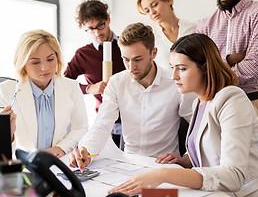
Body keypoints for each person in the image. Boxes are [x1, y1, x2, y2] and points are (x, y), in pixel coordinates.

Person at [109, 34, 258, 197]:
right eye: (173, 68)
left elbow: (234, 175)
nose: (173, 76)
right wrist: (186, 160)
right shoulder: (199, 102)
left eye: (182, 69)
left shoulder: (232, 99)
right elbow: (211, 149)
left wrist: (163, 174)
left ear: (205, 68)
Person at [68, 23, 195, 171]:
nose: (131, 67)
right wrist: (86, 150)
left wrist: (188, 157)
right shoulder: (117, 82)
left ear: (154, 53)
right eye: (126, 59)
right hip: (128, 165)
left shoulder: (175, 82)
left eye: (137, 59)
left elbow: (198, 124)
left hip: (166, 166)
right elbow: (102, 123)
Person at [196, 0, 258, 159]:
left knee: (253, 177)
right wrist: (231, 59)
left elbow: (255, 67)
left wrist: (217, 65)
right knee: (215, 169)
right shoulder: (205, 24)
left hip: (250, 104)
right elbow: (200, 70)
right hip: (214, 107)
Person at [0, 30, 88, 157]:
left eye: (50, 59)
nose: (45, 67)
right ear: (22, 63)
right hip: (23, 167)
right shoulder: (5, 91)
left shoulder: (72, 87)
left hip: (59, 163)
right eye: (35, 62)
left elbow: (81, 128)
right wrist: (7, 133)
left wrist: (62, 148)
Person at [64, 0, 125, 147]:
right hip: (106, 124)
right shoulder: (83, 55)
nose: (97, 32)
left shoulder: (126, 45)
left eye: (100, 25)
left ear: (108, 19)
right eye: (90, 29)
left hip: (134, 119)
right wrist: (89, 88)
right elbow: (64, 83)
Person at [137, 0, 198, 70]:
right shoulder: (151, 38)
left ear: (168, 0)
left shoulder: (195, 27)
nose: (152, 12)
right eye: (147, 11)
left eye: (154, 5)